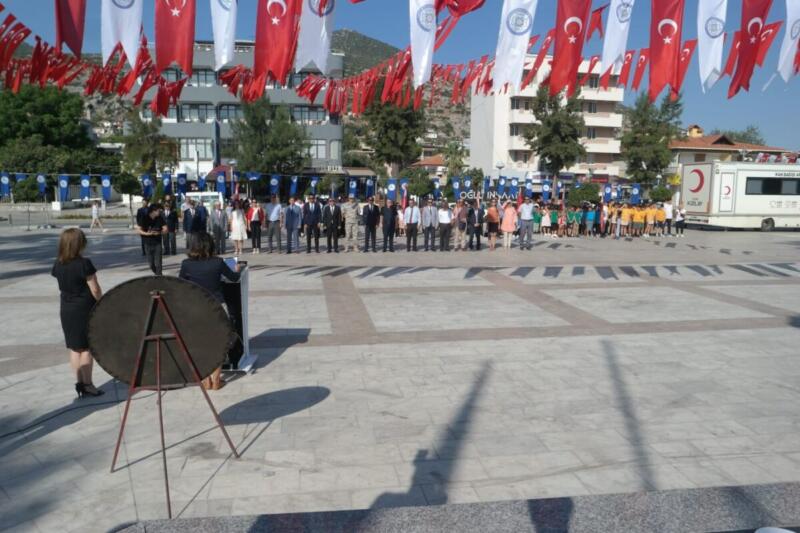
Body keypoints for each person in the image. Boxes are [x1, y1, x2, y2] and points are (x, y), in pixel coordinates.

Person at [52, 229, 105, 398]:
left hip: (66, 309)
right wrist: (102, 302)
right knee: (87, 348)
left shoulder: (58, 263)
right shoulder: (84, 264)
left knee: (75, 348)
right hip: (84, 308)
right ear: (79, 244)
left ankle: (79, 383)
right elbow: (95, 289)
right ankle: (88, 385)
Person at [178, 233, 241, 303]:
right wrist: (237, 270)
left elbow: (180, 283)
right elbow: (234, 278)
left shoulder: (186, 263)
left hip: (195, 303)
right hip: (216, 303)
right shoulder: (218, 261)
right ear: (211, 246)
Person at [136, 203, 166, 275]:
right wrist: (148, 234)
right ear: (153, 211)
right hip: (147, 243)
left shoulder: (160, 218)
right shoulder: (144, 218)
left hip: (157, 243)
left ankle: (159, 277)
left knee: (158, 263)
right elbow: (138, 230)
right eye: (158, 211)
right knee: (151, 264)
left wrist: (160, 232)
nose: (160, 212)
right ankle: (157, 274)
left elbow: (166, 229)